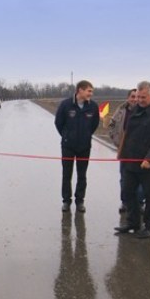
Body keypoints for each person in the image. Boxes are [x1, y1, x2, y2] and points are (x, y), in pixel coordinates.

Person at [114, 81, 150, 239]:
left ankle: (149, 227)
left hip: (148, 164)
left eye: (143, 97)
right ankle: (133, 222)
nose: (139, 100)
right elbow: (127, 134)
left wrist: (149, 158)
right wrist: (122, 154)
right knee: (127, 192)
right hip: (130, 161)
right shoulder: (133, 110)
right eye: (137, 96)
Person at [54, 80, 100, 213]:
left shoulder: (93, 106)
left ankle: (80, 201)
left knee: (82, 175)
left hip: (84, 147)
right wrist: (66, 136)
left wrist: (86, 135)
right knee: (66, 175)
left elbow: (94, 124)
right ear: (80, 90)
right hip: (68, 146)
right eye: (89, 91)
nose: (91, 93)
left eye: (91, 91)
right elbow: (58, 123)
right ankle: (66, 201)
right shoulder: (66, 105)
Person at [108, 88, 144, 213]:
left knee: (140, 178)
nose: (135, 99)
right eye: (132, 96)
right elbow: (111, 125)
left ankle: (139, 203)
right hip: (124, 150)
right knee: (124, 177)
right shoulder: (121, 110)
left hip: (140, 151)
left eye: (137, 97)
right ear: (128, 98)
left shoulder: (144, 111)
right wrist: (116, 141)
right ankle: (125, 202)